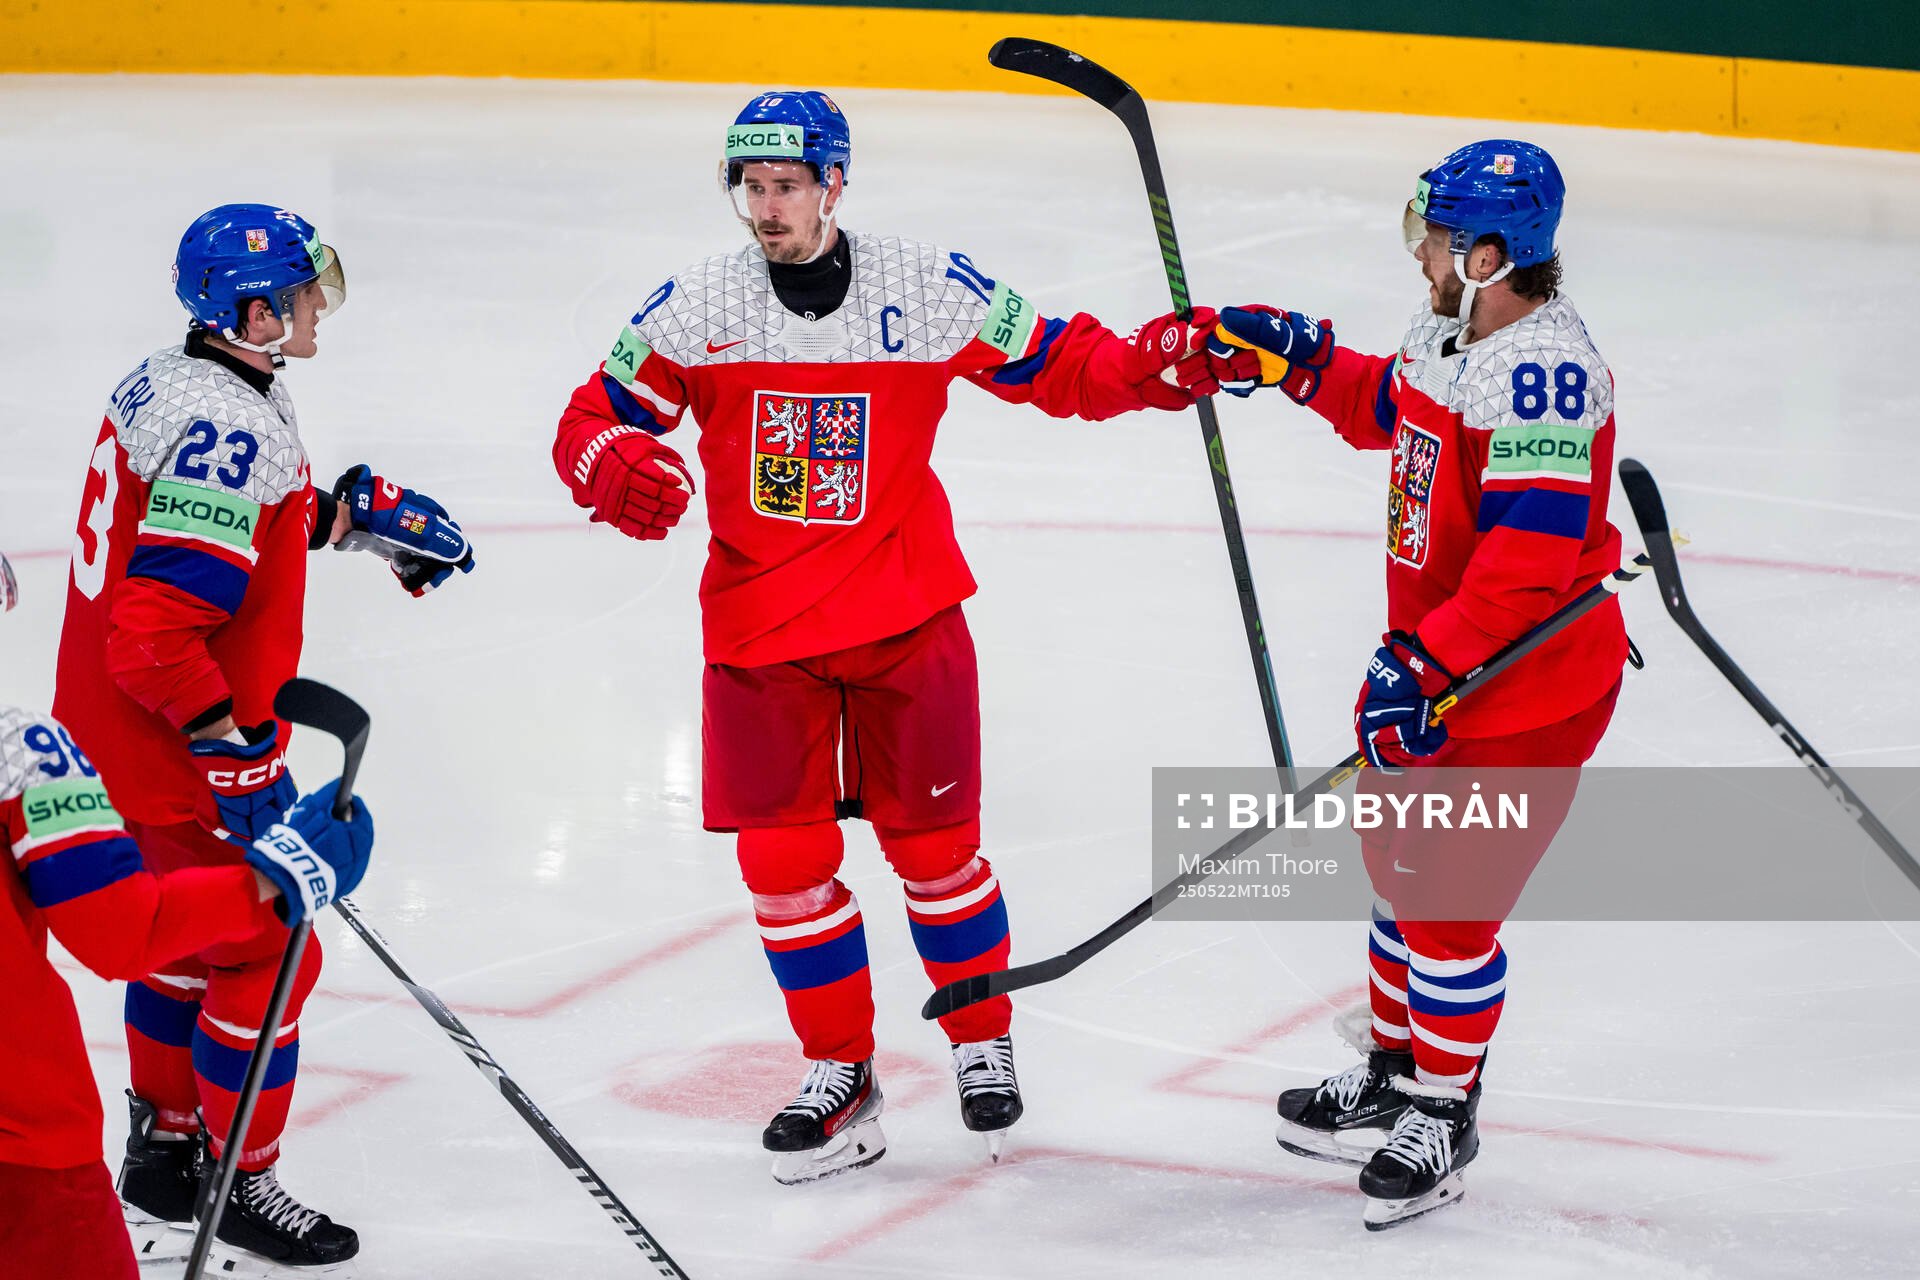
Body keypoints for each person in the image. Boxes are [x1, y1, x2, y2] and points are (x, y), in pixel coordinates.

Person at [552, 91, 1245, 1184]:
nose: (766, 208)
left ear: (834, 183)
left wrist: (1165, 358)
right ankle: (843, 1073)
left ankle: (980, 1042)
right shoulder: (697, 303)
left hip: (902, 617)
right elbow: (596, 412)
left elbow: (1065, 365)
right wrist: (604, 459)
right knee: (784, 868)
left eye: (785, 186)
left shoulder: (925, 286)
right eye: (750, 187)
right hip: (761, 631)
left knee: (935, 855)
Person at [1209, 140, 1628, 1228]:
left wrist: (1421, 663)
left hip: (1522, 686)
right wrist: (1299, 363)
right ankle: (1398, 1069)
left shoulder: (1546, 369)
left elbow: (1530, 562)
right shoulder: (1452, 327)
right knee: (1397, 873)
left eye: (1437, 231)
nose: (1422, 246)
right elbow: (1396, 418)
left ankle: (1445, 1107)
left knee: (1449, 906)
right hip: (1442, 666)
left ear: (1492, 253)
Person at [52, 204, 473, 1266]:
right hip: (169, 747)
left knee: (184, 943)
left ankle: (164, 1144)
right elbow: (153, 638)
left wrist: (343, 520)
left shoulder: (183, 377)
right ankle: (244, 1178)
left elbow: (212, 529)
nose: (315, 303)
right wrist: (231, 745)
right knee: (272, 946)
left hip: (114, 741)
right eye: (299, 291)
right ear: (251, 309)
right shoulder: (231, 423)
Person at [0, 549, 374, 1279]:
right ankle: (233, 1176)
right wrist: (279, 878)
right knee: (261, 960)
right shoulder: (19, 752)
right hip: (24, 1150)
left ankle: (166, 1154)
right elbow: (122, 932)